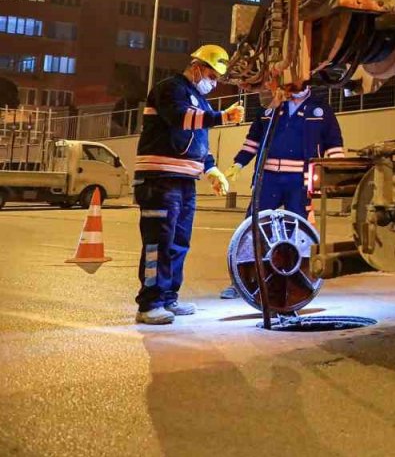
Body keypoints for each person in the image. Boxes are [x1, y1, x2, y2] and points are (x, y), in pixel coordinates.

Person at [134, 45, 245, 325]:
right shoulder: (170, 89)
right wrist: (222, 117)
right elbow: (179, 119)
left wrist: (212, 169)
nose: (214, 82)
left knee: (179, 243)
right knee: (158, 243)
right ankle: (149, 304)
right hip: (159, 180)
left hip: (184, 182)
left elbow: (198, 143)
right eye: (212, 74)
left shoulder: (201, 101)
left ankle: (169, 297)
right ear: (196, 66)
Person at [219, 81, 344, 299]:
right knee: (253, 227)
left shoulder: (321, 110)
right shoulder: (271, 107)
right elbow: (253, 141)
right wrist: (239, 163)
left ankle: (298, 281)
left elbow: (334, 144)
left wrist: (338, 172)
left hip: (300, 181)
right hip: (268, 179)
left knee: (299, 233)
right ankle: (242, 281)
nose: (294, 89)